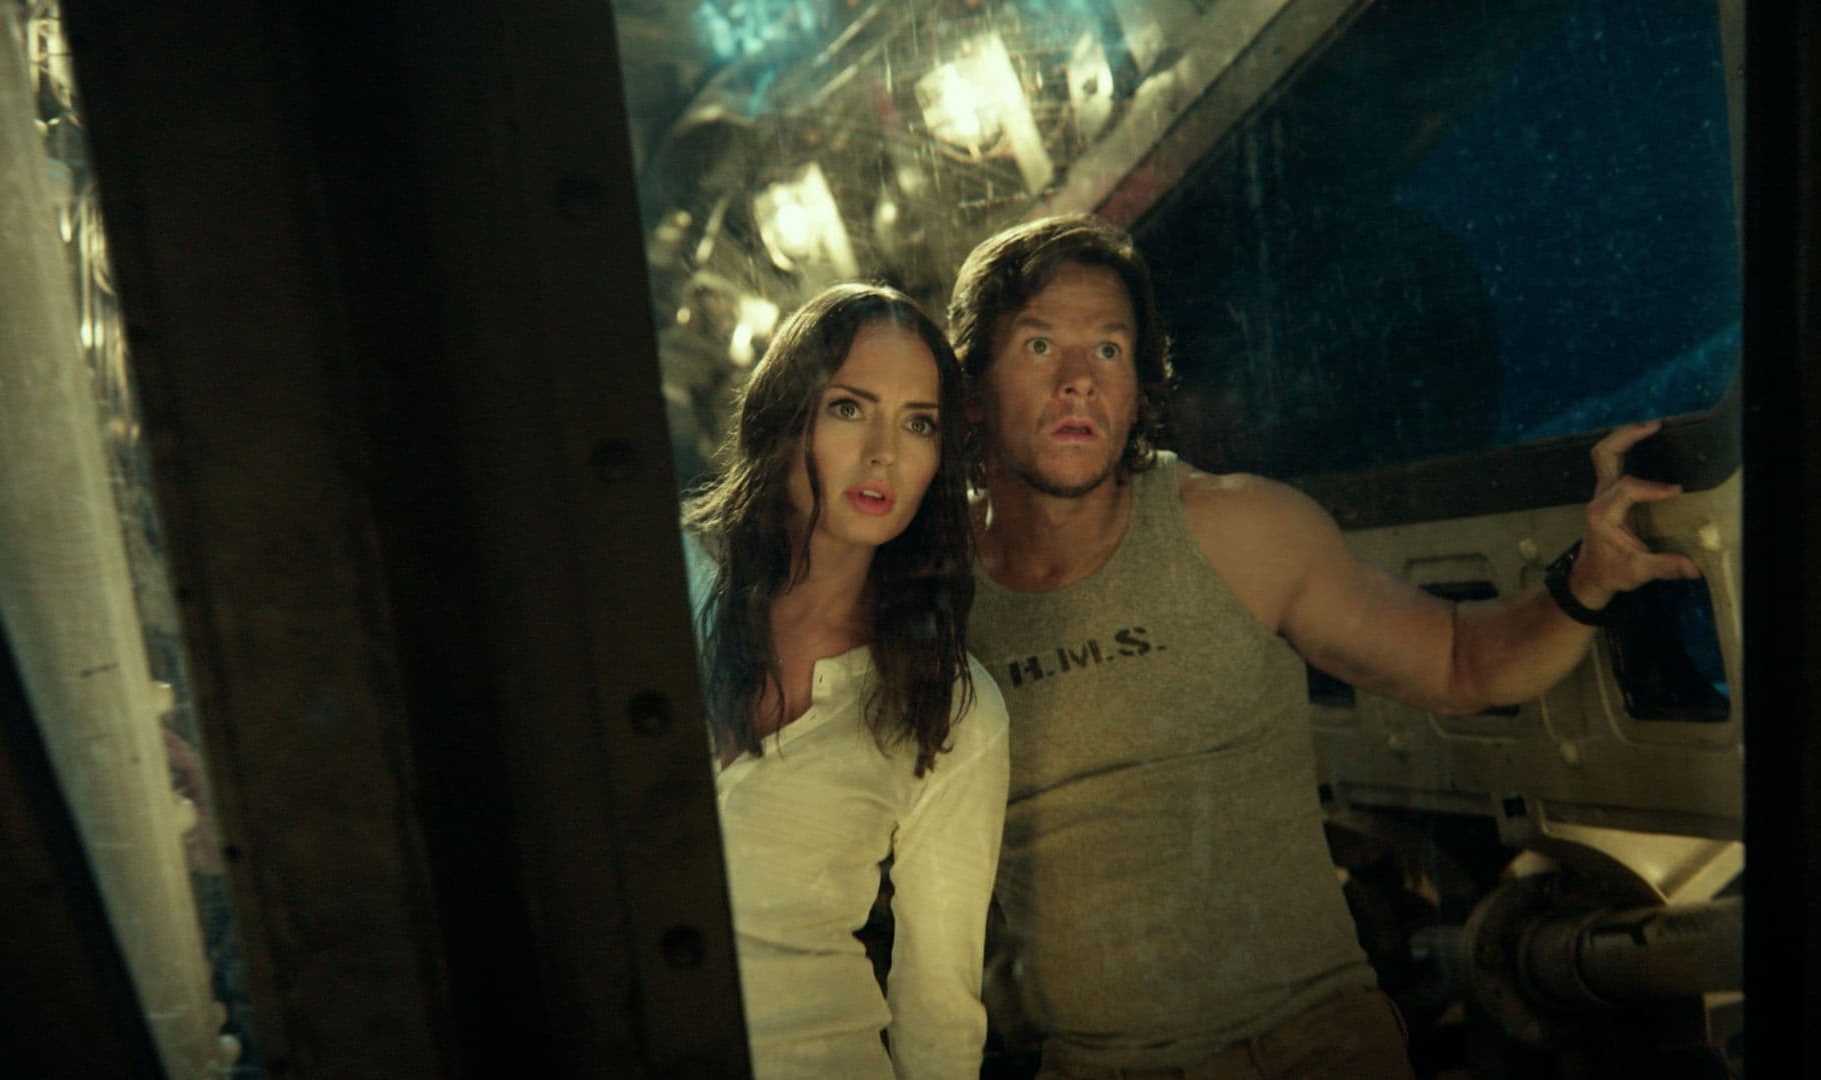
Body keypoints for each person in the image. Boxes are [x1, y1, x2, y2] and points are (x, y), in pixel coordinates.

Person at [946, 214, 1701, 1078]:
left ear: (1140, 381)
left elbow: (1461, 662)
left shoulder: (1241, 531)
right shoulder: (932, 601)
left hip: (1316, 1047)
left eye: (1109, 349)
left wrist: (1590, 576)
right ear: (970, 388)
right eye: (1040, 346)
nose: (1080, 380)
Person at [682, 282, 1011, 1078]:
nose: (884, 454)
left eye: (919, 423)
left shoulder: (949, 705)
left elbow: (938, 1010)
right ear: (785, 415)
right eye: (849, 408)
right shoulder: (661, 582)